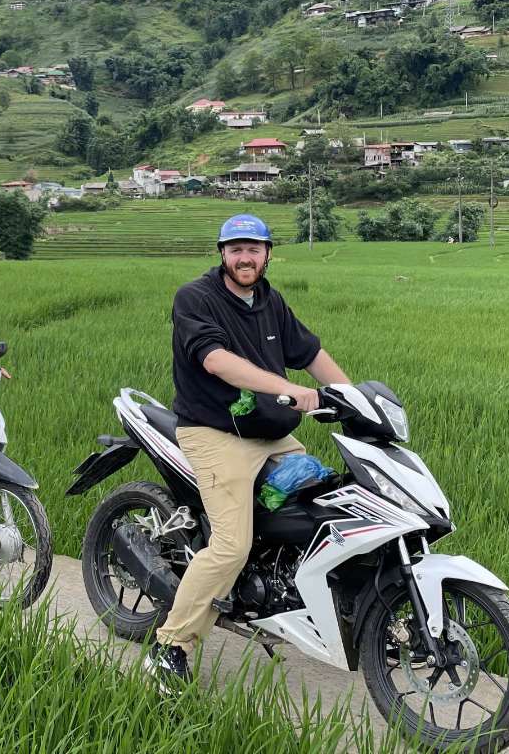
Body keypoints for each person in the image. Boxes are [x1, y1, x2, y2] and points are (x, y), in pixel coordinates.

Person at [147, 213, 352, 686]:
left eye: (254, 249)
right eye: (236, 249)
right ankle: (170, 647)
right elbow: (216, 361)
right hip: (216, 433)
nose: (245, 257)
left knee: (324, 508)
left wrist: (352, 396)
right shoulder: (195, 298)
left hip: (271, 433)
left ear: (267, 255)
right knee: (231, 545)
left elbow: (311, 353)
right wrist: (291, 390)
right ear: (222, 253)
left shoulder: (270, 301)